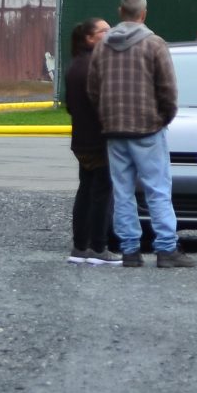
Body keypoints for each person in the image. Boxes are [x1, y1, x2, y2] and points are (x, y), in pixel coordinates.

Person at [88, 0, 190, 267]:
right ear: (143, 14)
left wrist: (107, 118)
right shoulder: (155, 44)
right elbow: (168, 89)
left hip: (114, 130)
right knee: (157, 189)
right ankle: (166, 249)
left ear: (120, 12)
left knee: (122, 192)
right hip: (148, 128)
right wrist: (164, 118)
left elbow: (93, 89)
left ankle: (130, 250)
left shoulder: (102, 47)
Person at [61, 17, 112, 262]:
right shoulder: (96, 65)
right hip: (99, 139)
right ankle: (99, 248)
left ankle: (80, 246)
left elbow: (70, 106)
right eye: (104, 31)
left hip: (81, 139)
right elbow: (103, 104)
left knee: (86, 190)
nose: (109, 33)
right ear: (90, 38)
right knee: (101, 193)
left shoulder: (75, 65)